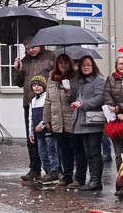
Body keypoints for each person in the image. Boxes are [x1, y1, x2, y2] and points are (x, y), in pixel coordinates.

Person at [13, 41, 55, 184]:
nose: (31, 50)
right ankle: (35, 168)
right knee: (32, 137)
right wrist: (17, 70)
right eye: (27, 47)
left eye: (33, 46)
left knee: (49, 139)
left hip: (47, 103)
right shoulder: (24, 61)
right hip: (30, 103)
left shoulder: (51, 57)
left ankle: (52, 169)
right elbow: (18, 83)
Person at [71, 54, 107, 192]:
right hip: (81, 122)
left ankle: (96, 180)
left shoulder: (98, 80)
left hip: (93, 122)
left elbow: (100, 98)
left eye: (88, 65)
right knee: (87, 153)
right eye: (83, 65)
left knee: (94, 152)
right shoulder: (79, 81)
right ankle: (92, 179)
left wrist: (83, 104)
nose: (86, 67)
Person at [46, 54, 78, 188]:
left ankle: (78, 176)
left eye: (65, 63)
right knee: (63, 150)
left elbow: (75, 97)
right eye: (60, 63)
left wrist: (68, 90)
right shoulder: (52, 78)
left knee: (75, 149)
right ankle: (67, 176)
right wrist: (46, 119)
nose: (63, 66)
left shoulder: (74, 77)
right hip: (56, 120)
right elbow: (48, 100)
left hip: (70, 118)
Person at [27, 76, 59, 183]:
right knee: (42, 153)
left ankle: (55, 171)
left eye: (39, 85)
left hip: (48, 130)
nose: (36, 87)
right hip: (38, 133)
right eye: (34, 85)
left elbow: (49, 113)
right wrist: (31, 133)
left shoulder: (47, 98)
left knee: (51, 151)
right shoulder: (32, 101)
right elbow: (30, 118)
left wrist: (42, 124)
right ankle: (47, 171)